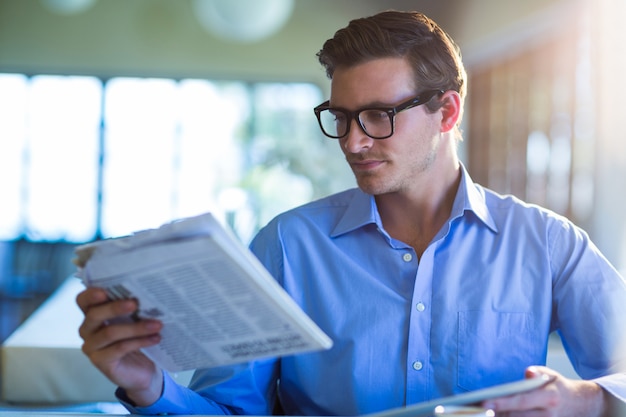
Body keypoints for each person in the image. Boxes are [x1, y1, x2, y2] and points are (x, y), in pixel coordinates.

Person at [77, 10, 626, 416]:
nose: (353, 142)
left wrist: (587, 401)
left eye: (378, 116)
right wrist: (149, 385)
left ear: (447, 111)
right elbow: (230, 412)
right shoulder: (288, 246)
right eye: (340, 117)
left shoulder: (548, 244)